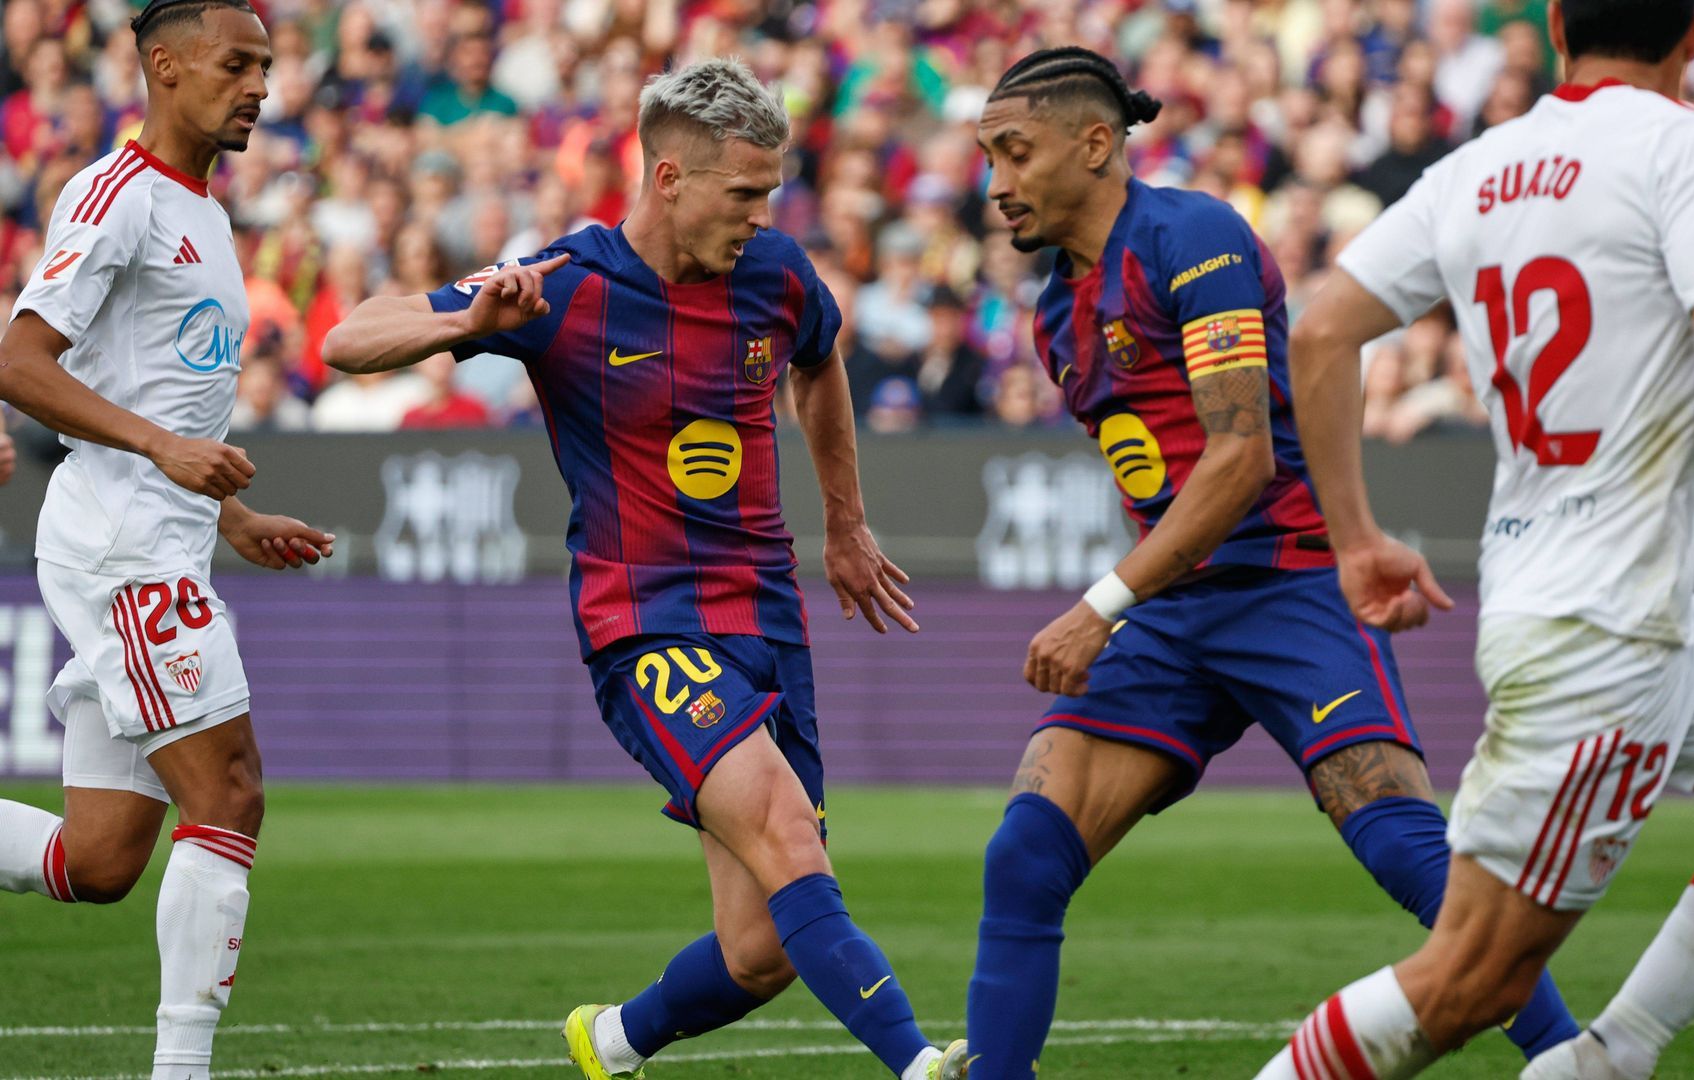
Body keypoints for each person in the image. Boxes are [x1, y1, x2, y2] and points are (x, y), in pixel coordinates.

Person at [1261, 2, 1694, 1077]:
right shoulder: (1683, 138)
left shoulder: (1478, 166)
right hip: (1601, 632)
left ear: (1558, 23)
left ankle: (1613, 1055)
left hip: (1622, 602)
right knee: (1470, 982)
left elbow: (1323, 328)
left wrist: (1357, 537)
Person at [322, 58, 967, 1080]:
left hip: (768, 624)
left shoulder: (779, 276)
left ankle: (612, 1041)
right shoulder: (566, 288)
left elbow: (822, 357)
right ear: (669, 179)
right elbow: (349, 338)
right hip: (649, 626)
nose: (761, 215)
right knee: (788, 834)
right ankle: (922, 1064)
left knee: (762, 953)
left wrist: (846, 524)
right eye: (744, 193)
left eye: (771, 194)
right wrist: (464, 324)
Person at [964, 46, 1579, 1080]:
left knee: (1397, 844)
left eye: (1015, 153)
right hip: (1173, 617)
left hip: (1291, 585)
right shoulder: (1054, 315)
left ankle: (1574, 1056)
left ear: (1097, 143)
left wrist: (1101, 604)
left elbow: (1240, 458)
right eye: (988, 158)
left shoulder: (1190, 238)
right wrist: (1133, 605)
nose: (995, 184)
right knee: (1023, 856)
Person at [0, 3, 335, 1078]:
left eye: (268, 67)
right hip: (121, 547)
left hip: (164, 537)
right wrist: (165, 454)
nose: (260, 86)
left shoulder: (204, 212)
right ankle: (181, 1073)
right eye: (237, 64)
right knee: (229, 794)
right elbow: (21, 361)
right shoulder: (117, 197)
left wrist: (227, 511)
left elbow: (146, 391)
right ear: (165, 65)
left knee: (97, 862)